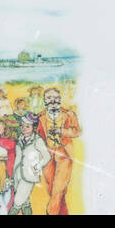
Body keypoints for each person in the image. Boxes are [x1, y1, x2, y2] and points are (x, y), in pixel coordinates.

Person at [39, 86, 81, 215]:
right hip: (46, 155)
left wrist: (61, 131)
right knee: (52, 189)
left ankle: (50, 212)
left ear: (60, 99)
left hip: (64, 154)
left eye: (56, 98)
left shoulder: (69, 114)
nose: (53, 100)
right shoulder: (39, 116)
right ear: (45, 100)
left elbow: (76, 131)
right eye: (49, 98)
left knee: (59, 188)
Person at [10, 112, 52, 214]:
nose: (24, 128)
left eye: (27, 126)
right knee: (25, 201)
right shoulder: (20, 139)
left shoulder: (37, 140)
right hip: (17, 173)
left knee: (17, 201)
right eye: (22, 126)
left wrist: (37, 166)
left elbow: (47, 156)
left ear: (33, 128)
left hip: (29, 174)